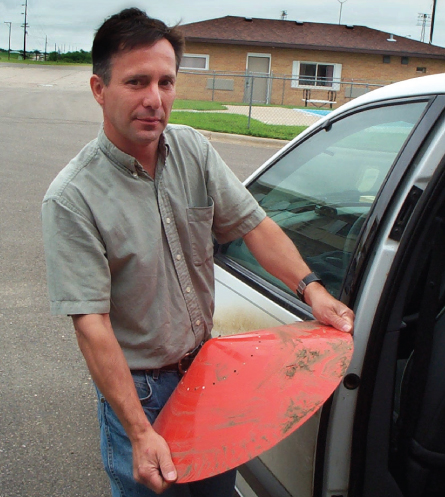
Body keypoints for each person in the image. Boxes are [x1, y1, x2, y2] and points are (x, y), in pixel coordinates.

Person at [41, 7, 354, 497]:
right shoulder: (72, 198)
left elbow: (255, 226)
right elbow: (92, 325)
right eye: (137, 82)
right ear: (99, 89)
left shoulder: (193, 150)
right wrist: (139, 432)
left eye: (165, 82)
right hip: (142, 394)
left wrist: (312, 290)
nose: (154, 99)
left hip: (208, 374)